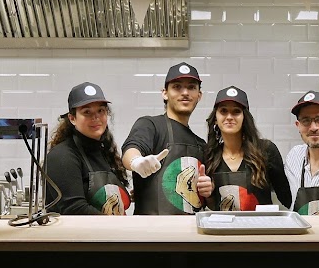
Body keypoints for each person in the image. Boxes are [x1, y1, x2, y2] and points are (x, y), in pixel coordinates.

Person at [122, 62, 213, 214]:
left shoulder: (201, 144)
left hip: (191, 232)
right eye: (177, 87)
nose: (185, 92)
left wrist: (207, 189)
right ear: (165, 93)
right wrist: (136, 162)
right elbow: (131, 149)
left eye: (191, 87)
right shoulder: (150, 124)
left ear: (199, 95)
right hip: (153, 232)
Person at [45, 82, 131, 215]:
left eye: (100, 111)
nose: (95, 117)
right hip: (77, 235)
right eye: (87, 112)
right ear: (72, 118)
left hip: (109, 234)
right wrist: (118, 225)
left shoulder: (105, 152)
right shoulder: (62, 156)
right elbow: (74, 208)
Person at [204, 85, 292, 210]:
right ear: (215, 119)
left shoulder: (266, 150)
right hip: (224, 228)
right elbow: (212, 205)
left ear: (244, 118)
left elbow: (287, 198)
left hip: (261, 227)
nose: (229, 117)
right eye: (223, 111)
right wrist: (208, 195)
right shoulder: (209, 155)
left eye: (236, 111)